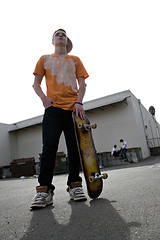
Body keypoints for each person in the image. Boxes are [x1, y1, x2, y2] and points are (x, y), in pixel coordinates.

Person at [30, 29, 89, 209]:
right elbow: (36, 84)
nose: (60, 35)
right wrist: (44, 99)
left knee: (74, 148)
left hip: (73, 109)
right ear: (53, 40)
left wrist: (79, 102)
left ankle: (75, 186)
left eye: (63, 34)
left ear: (67, 41)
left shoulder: (75, 60)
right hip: (53, 108)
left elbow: (82, 84)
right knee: (49, 148)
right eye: (57, 34)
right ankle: (44, 190)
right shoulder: (45, 59)